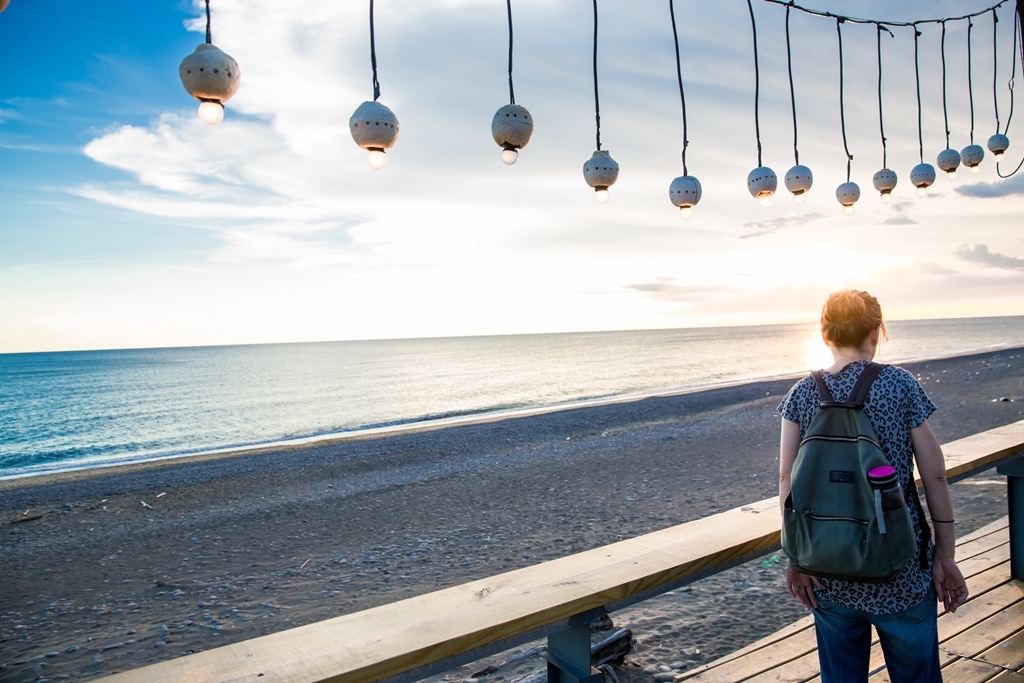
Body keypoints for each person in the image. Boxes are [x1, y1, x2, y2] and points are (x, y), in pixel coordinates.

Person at [777, 290, 969, 683]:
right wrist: (945, 555)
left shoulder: (802, 393)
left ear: (825, 334)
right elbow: (935, 474)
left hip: (828, 567)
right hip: (901, 567)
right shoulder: (899, 384)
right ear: (877, 331)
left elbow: (787, 479)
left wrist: (797, 558)